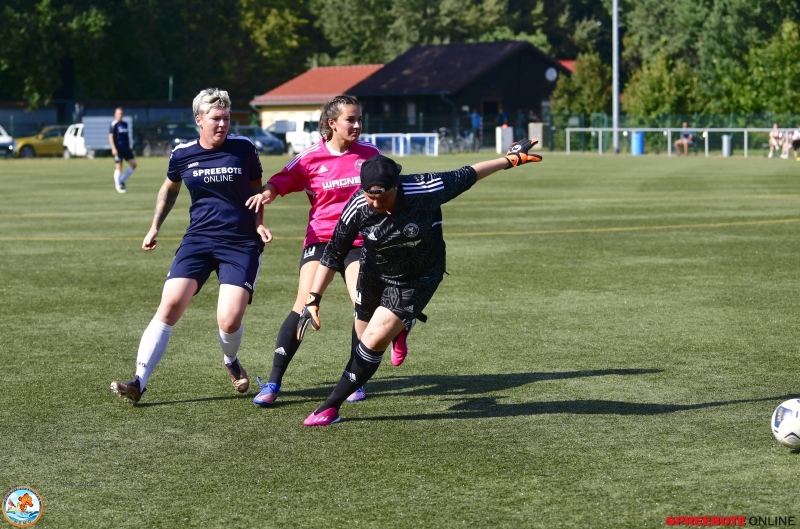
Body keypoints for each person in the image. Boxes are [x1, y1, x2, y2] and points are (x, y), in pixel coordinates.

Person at [298, 140, 543, 426]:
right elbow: (333, 253)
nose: (376, 203)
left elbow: (469, 173)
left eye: (382, 196)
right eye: (369, 196)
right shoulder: (357, 206)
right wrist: (313, 298)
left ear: (396, 186)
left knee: (373, 340)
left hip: (417, 277)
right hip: (374, 273)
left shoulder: (426, 188)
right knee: (361, 335)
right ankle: (401, 327)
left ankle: (330, 407)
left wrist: (509, 160)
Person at [245, 95, 413, 408]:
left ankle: (355, 380)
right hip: (321, 240)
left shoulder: (371, 155)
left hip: (361, 242)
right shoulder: (309, 158)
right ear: (332, 123)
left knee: (363, 304)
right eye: (351, 119)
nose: (358, 125)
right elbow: (280, 181)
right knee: (303, 305)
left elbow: (393, 190)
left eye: (360, 119)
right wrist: (267, 194)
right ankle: (273, 382)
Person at [110, 88, 272, 405]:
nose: (223, 124)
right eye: (216, 118)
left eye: (226, 117)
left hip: (240, 243)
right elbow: (169, 191)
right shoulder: (182, 153)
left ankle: (230, 360)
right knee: (169, 305)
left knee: (229, 319)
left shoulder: (244, 149)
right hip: (198, 240)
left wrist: (259, 223)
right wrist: (154, 227)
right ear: (199, 119)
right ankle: (138, 382)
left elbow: (256, 189)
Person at [109, 107, 137, 193]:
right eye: (118, 113)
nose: (120, 115)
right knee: (119, 166)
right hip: (118, 149)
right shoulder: (113, 124)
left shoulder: (125, 124)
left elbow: (127, 136)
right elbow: (110, 137)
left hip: (126, 149)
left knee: (133, 164)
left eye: (121, 114)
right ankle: (118, 186)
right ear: (115, 114)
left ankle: (121, 181)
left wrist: (129, 146)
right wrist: (113, 148)